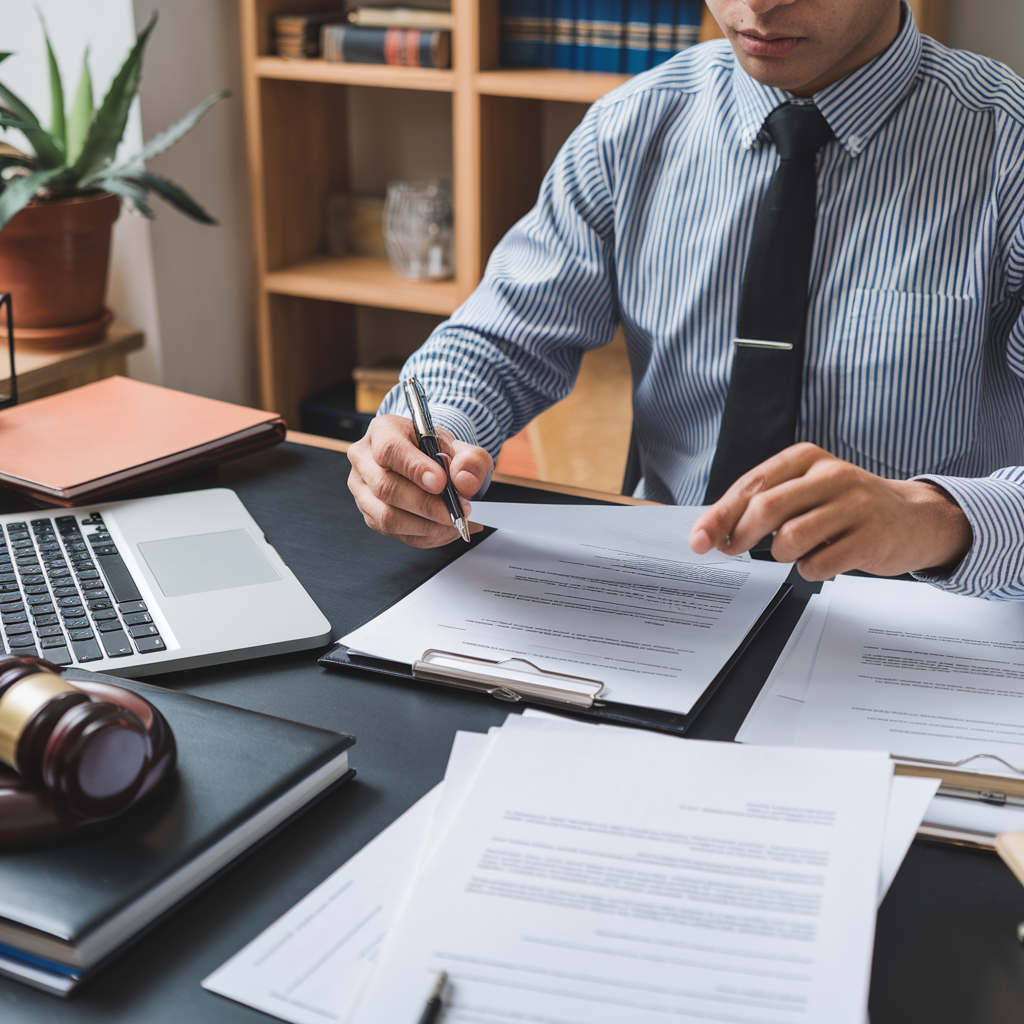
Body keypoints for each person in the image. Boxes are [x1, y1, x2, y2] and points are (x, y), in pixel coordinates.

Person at [347, 0, 1024, 599]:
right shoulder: (632, 125)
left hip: (929, 622)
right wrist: (431, 438)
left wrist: (935, 518)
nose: (757, 4)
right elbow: (502, 338)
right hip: (670, 595)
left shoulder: (1007, 151)